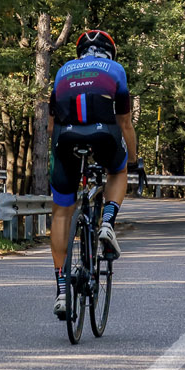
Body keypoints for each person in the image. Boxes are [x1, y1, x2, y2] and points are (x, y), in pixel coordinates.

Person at [48, 28, 137, 319]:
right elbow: (124, 123)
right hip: (104, 134)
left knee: (61, 212)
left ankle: (62, 290)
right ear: (109, 51)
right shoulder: (115, 69)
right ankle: (107, 222)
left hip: (65, 138)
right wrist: (134, 161)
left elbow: (51, 126)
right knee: (118, 170)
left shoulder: (62, 71)